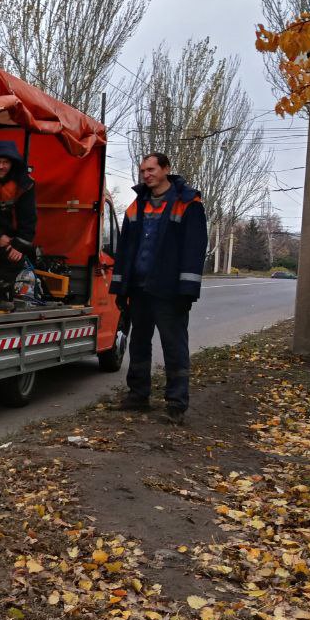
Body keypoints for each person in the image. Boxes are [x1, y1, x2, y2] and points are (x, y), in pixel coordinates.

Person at [110, 153, 208, 424]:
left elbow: (194, 249)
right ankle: (137, 396)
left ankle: (176, 404)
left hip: (169, 292)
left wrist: (187, 291)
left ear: (166, 169)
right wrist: (120, 288)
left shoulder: (188, 204)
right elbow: (125, 250)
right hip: (139, 290)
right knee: (139, 344)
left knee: (174, 347)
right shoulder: (135, 206)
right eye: (143, 171)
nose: (146, 175)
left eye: (151, 169)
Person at [0, 140, 37, 303]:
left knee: (15, 259)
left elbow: (29, 217)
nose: (1, 166)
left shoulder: (24, 185)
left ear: (13, 164)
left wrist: (19, 245)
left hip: (9, 236)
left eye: (5, 162)